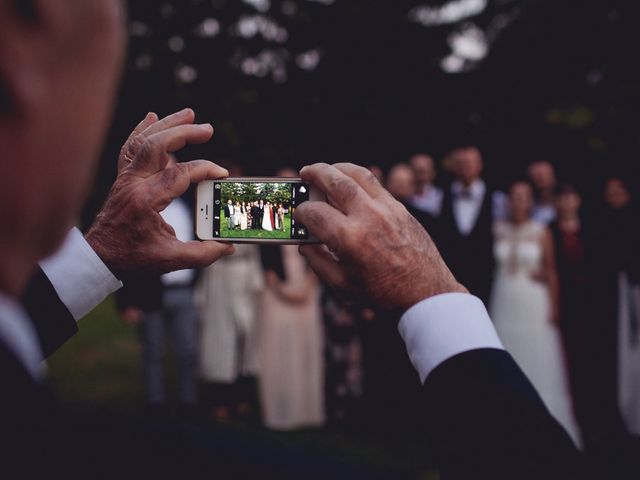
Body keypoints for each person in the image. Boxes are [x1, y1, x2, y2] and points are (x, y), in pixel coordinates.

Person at [489, 180, 580, 446]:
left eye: (524, 197)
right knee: (507, 354)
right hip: (504, 298)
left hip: (533, 301)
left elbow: (551, 271)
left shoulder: (541, 232)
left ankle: (545, 425)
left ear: (530, 201)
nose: (519, 202)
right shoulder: (498, 229)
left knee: (537, 357)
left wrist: (554, 307)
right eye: (514, 197)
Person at [116, 196, 199, 420]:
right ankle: (155, 405)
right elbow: (127, 252)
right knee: (152, 350)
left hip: (186, 289)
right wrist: (126, 301)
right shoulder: (143, 208)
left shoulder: (190, 206)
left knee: (188, 350)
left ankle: (188, 403)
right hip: (150, 292)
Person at [196, 244, 263, 421]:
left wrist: (256, 281)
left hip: (243, 276)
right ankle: (220, 400)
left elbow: (253, 252)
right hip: (219, 278)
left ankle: (242, 398)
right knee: (219, 344)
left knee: (245, 339)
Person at [435, 146, 497, 304]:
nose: (466, 168)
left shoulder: (497, 199)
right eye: (461, 164)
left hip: (484, 279)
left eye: (470, 163)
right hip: (450, 278)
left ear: (480, 165)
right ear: (454, 167)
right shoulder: (441, 196)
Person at [528, 160, 558, 225]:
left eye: (546, 174)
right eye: (537, 175)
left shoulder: (563, 205)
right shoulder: (526, 208)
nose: (542, 178)